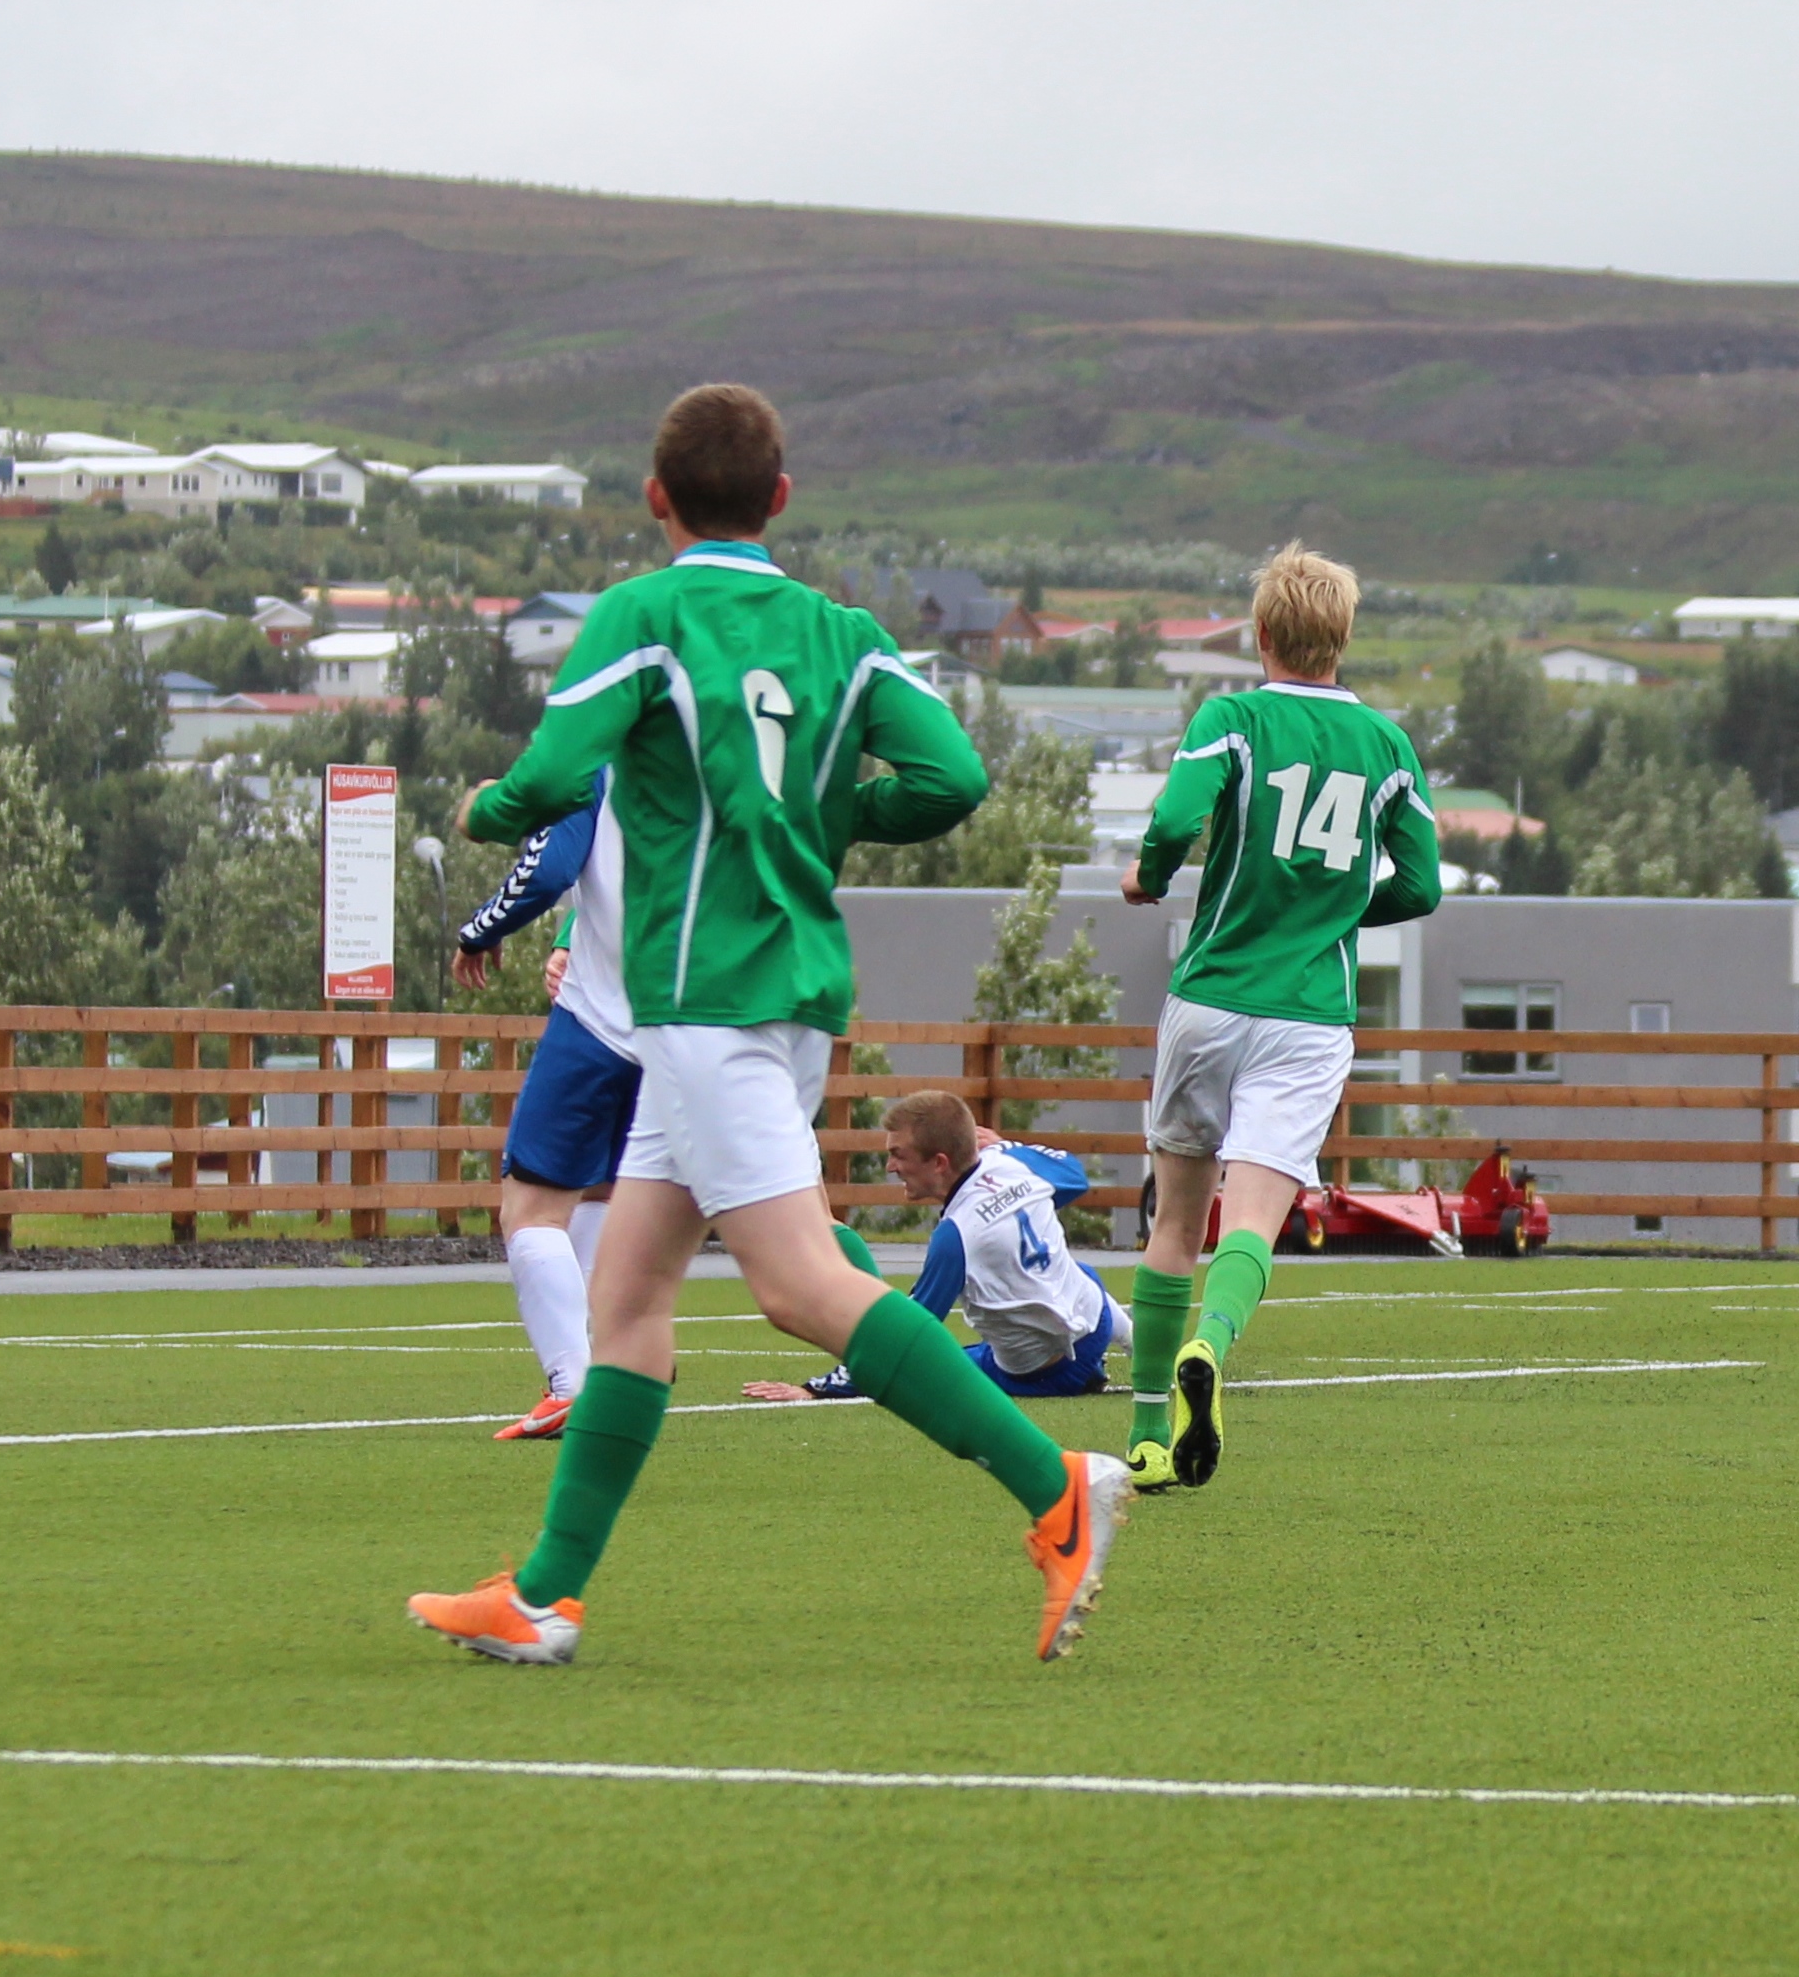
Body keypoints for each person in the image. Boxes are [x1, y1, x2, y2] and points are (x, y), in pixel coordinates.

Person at [405, 382, 1131, 1668]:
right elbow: (954, 776)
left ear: (656, 498)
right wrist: (837, 812)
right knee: (628, 1297)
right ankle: (542, 1596)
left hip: (706, 1000)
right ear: (781, 498)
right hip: (786, 996)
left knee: (800, 1289)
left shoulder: (644, 615)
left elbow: (554, 777)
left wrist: (480, 810)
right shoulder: (842, 635)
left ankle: (1055, 1488)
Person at [1115, 542, 1441, 1494]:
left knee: (1175, 1221)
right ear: (1343, 637)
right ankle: (1211, 1346)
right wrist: (1335, 909)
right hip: (1307, 1019)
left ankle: (1146, 1434)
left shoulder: (1232, 718)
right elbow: (1421, 886)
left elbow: (1175, 821)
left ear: (1261, 633)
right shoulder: (1386, 746)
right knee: (1251, 1221)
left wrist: (1149, 874)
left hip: (1210, 1000)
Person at [450, 776, 637, 1441]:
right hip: (695, 1026)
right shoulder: (718, 744)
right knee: (602, 1188)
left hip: (602, 1021)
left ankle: (571, 1383)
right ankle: (616, 1355)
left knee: (530, 1208)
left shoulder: (594, 752)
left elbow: (552, 867)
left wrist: (480, 930)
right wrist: (570, 934)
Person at [746, 1091, 1119, 1404]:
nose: (890, 1166)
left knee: (924, 1370)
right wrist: (1007, 1146)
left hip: (1045, 1375)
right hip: (1095, 1327)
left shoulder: (956, 1235)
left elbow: (909, 1334)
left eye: (899, 1154)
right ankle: (1137, 1348)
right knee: (1078, 1273)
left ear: (939, 1162)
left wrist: (817, 1388)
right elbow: (1073, 1175)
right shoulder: (1007, 1161)